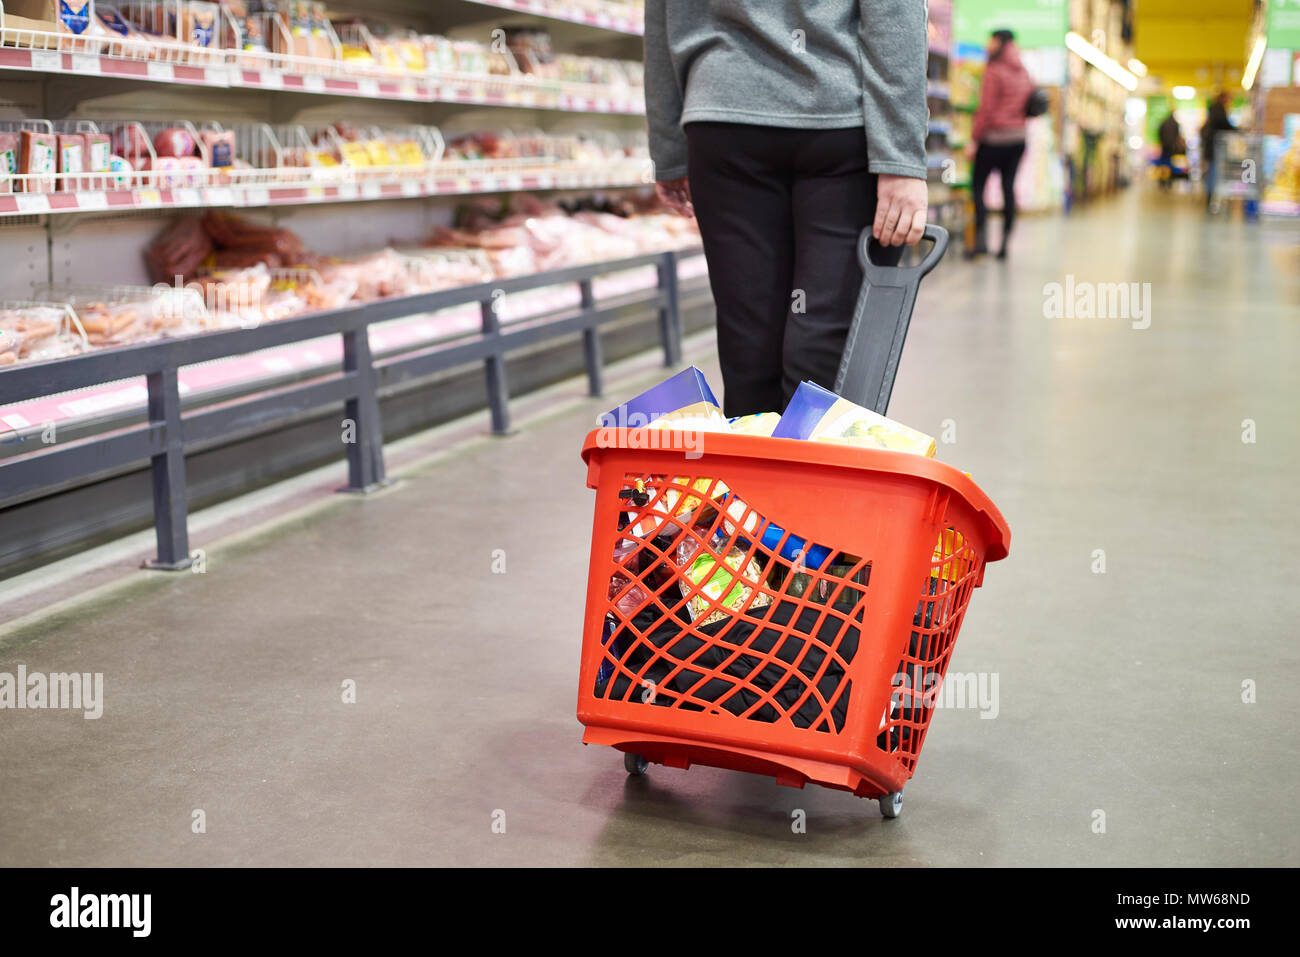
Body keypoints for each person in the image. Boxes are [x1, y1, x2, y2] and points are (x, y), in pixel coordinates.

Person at [643, 1, 930, 417]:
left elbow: (661, 16)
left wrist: (668, 144)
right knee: (824, 346)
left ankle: (755, 478)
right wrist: (901, 158)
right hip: (838, 122)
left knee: (749, 347)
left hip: (724, 118)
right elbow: (893, 12)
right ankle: (813, 474)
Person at [966, 29, 1034, 259]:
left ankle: (980, 242)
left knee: (978, 187)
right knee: (1008, 188)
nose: (987, 44)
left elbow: (985, 110)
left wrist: (974, 139)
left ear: (1000, 43)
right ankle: (1005, 244)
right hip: (1018, 139)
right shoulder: (1024, 72)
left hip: (993, 139)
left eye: (991, 40)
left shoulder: (993, 71)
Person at [1200, 91, 1236, 211]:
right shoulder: (1218, 110)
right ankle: (1211, 199)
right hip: (1214, 148)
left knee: (1211, 172)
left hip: (1210, 147)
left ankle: (1210, 198)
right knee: (1213, 173)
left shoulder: (1213, 109)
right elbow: (1224, 124)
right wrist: (1237, 130)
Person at [1156, 112, 1185, 189]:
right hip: (1172, 147)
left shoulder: (1163, 122)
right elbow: (1178, 135)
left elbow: (1159, 133)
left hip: (1164, 146)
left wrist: (1162, 142)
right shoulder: (1175, 124)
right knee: (1170, 164)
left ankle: (1162, 180)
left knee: (1163, 164)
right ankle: (1169, 180)